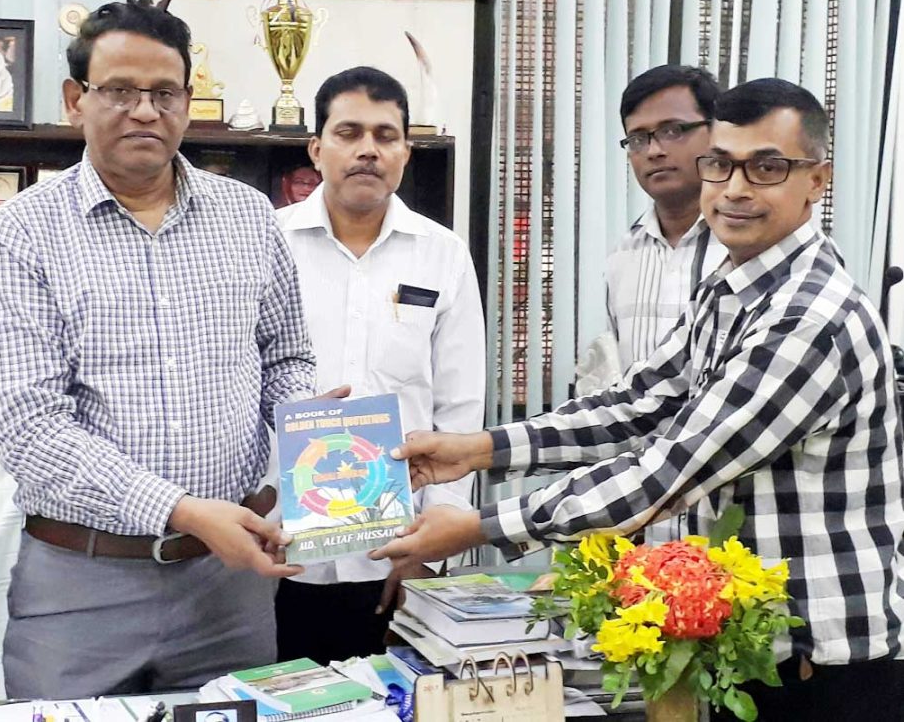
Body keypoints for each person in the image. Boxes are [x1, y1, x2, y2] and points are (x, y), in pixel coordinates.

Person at [372, 78, 904, 721]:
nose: (735, 189)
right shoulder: (732, 286)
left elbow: (670, 467)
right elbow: (639, 405)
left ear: (816, 181)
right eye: (721, 164)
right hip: (751, 650)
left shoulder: (813, 317)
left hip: (823, 668)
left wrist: (485, 527)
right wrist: (477, 450)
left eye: (767, 168)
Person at [0, 0, 317, 698]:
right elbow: (31, 429)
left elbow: (286, 358)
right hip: (80, 588)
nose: (144, 110)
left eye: (164, 92)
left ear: (188, 102)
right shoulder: (17, 235)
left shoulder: (249, 216)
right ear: (76, 100)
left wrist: (314, 447)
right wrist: (183, 510)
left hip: (230, 584)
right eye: (120, 91)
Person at [275, 66, 484, 664]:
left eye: (385, 135)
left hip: (397, 549)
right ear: (316, 149)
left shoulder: (441, 254)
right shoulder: (267, 241)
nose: (368, 149)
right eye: (348, 132)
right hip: (279, 553)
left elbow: (460, 407)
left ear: (406, 152)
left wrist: (434, 538)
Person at [605, 65, 726, 544]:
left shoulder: (750, 250)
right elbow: (628, 395)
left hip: (730, 527)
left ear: (716, 134)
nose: (654, 149)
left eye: (673, 131)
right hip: (639, 522)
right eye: (638, 138)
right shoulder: (622, 255)